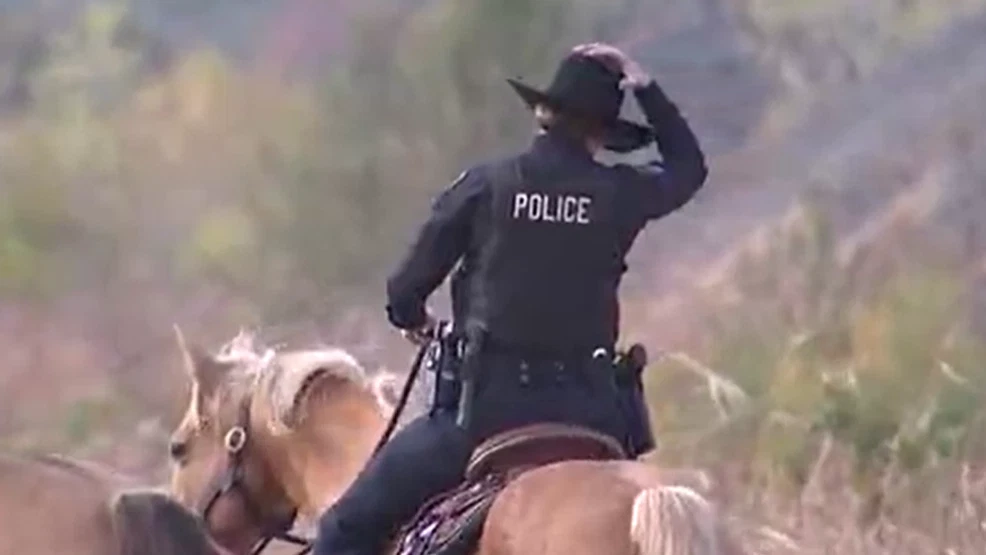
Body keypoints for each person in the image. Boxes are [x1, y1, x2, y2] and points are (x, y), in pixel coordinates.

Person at [313, 42, 708, 555]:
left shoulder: (486, 185)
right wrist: (645, 87)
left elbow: (404, 290)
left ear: (543, 114)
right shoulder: (620, 192)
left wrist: (414, 318)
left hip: (484, 415)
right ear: (602, 134)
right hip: (594, 413)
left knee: (345, 530)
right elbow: (688, 168)